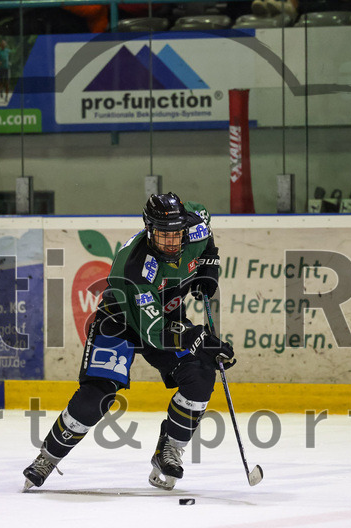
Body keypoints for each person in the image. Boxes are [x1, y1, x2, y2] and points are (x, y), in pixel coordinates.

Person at [22, 193, 235, 491]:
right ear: (149, 230)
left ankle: (169, 450)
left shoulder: (196, 223)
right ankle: (48, 456)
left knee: (200, 375)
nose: (171, 243)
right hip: (121, 321)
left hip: (167, 314)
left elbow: (207, 235)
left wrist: (209, 268)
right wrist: (197, 338)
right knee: (96, 397)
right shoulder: (134, 268)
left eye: (176, 235)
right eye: (162, 236)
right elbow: (154, 333)